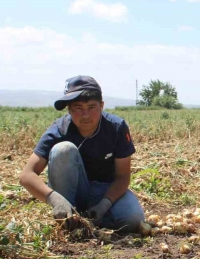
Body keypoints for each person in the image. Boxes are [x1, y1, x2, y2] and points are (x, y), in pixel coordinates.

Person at [19, 75, 145, 233]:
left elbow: (123, 176)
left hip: (105, 191)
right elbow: (26, 175)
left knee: (133, 219)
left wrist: (105, 204)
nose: (85, 115)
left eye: (92, 107)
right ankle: (68, 216)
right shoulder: (59, 130)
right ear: (69, 109)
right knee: (63, 150)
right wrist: (55, 199)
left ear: (102, 106)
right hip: (71, 193)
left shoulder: (116, 128)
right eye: (78, 108)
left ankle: (88, 221)